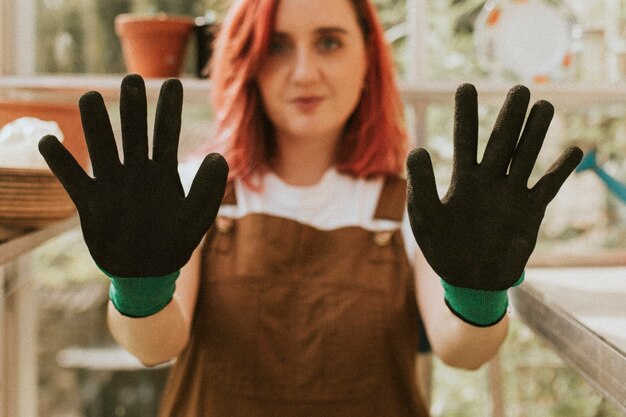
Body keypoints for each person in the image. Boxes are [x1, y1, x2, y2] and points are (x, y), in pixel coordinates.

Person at [38, 0, 583, 416]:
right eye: (277, 46)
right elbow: (154, 344)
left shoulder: (416, 211)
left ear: (368, 57)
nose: (302, 72)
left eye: (329, 42)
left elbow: (462, 350)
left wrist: (478, 291)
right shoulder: (194, 197)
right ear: (247, 61)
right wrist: (138, 281)